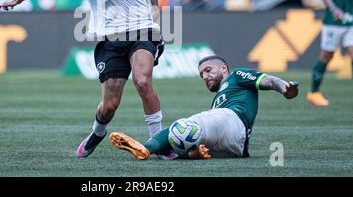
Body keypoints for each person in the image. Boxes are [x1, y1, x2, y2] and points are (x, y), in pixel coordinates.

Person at [0, 0, 165, 158]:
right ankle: (97, 133)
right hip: (110, 38)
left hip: (142, 31)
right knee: (109, 106)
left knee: (142, 81)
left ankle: (158, 144)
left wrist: (155, 12)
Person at [110, 55, 299, 160]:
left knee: (184, 127)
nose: (205, 76)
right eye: (201, 74)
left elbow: (270, 80)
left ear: (224, 68)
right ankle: (189, 154)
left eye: (208, 70)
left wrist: (285, 88)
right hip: (236, 149)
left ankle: (146, 147)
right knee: (183, 148)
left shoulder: (238, 75)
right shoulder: (219, 98)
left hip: (233, 120)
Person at [308, 0, 353, 107]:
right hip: (333, 23)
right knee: (326, 56)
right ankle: (313, 92)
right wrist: (335, 10)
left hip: (350, 23)